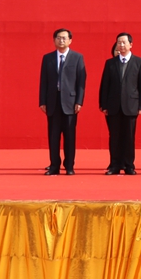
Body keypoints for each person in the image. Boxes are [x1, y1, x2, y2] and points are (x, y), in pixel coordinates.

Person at [98, 32, 141, 175]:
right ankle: (115, 165)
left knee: (129, 136)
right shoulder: (110, 63)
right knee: (114, 137)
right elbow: (104, 85)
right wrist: (103, 104)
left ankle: (129, 165)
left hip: (131, 105)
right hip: (113, 106)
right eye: (118, 42)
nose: (121, 45)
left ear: (131, 44)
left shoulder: (139, 62)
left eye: (123, 42)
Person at [39, 28, 86, 175]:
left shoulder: (77, 57)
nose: (61, 40)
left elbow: (81, 81)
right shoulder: (48, 58)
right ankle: (54, 166)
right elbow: (43, 81)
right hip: (53, 102)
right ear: (54, 40)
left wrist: (79, 101)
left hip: (70, 103)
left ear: (70, 40)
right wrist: (42, 101)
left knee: (70, 136)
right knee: (53, 136)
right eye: (58, 38)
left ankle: (69, 166)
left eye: (64, 38)